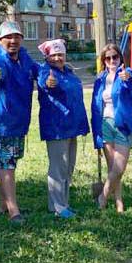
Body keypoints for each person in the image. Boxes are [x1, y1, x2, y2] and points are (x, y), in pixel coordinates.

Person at [0, 20, 38, 224]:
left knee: (10, 162)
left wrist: (56, 69)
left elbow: (38, 70)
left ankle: (4, 204)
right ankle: (13, 210)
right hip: (4, 121)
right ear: (0, 40)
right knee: (7, 163)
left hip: (20, 120)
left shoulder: (24, 57)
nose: (13, 40)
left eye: (16, 36)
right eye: (8, 37)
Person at [36, 39, 89, 218]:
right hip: (57, 127)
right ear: (47, 57)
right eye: (53, 55)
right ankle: (58, 207)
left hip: (72, 126)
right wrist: (49, 82)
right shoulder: (45, 71)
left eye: (61, 54)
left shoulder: (68, 71)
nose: (58, 58)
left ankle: (63, 204)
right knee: (58, 168)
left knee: (68, 167)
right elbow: (45, 82)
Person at [91, 43, 132, 213]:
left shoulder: (127, 74)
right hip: (105, 124)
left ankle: (102, 197)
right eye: (108, 58)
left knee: (119, 167)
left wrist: (126, 76)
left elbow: (131, 81)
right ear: (104, 60)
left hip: (123, 125)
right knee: (112, 168)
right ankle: (119, 203)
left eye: (115, 56)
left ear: (120, 58)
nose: (112, 60)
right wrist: (96, 133)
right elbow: (95, 105)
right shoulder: (100, 79)